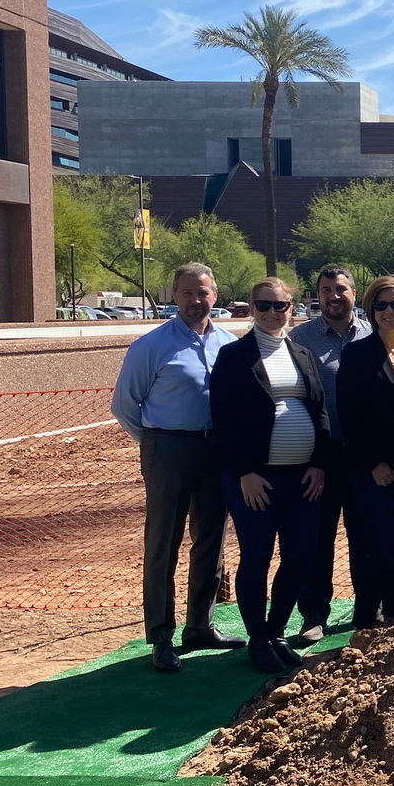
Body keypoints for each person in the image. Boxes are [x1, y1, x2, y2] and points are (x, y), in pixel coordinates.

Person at [111, 262, 239, 673]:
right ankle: (161, 635)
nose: (195, 300)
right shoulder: (151, 346)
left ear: (214, 296)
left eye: (202, 293)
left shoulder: (228, 343)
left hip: (215, 451)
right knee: (163, 543)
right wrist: (156, 442)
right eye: (187, 293)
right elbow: (125, 405)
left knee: (211, 540)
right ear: (174, 296)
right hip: (167, 450)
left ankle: (199, 625)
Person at [210, 277, 331, 674]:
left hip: (303, 480)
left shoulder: (302, 353)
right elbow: (223, 421)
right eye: (264, 305)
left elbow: (320, 411)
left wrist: (319, 464)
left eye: (280, 305)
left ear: (291, 307)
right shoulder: (233, 357)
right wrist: (243, 472)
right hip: (255, 481)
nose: (272, 312)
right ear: (251, 307)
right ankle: (258, 639)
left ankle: (277, 630)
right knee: (257, 558)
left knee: (299, 557)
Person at [337, 274, 394, 629]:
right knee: (381, 543)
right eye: (381, 305)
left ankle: (392, 616)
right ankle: (365, 618)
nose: (389, 311)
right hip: (373, 467)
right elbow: (349, 415)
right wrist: (374, 463)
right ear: (371, 309)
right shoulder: (358, 354)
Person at [287, 264, 370, 644]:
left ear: (354, 292)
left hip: (364, 457)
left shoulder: (373, 333)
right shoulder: (298, 339)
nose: (333, 296)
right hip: (318, 458)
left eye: (340, 289)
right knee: (317, 539)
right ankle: (313, 615)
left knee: (365, 537)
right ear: (317, 295)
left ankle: (368, 610)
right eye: (325, 290)